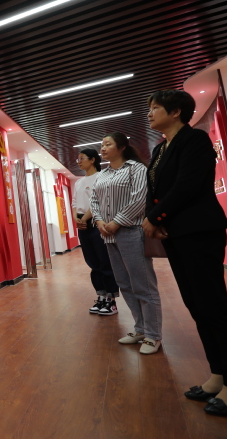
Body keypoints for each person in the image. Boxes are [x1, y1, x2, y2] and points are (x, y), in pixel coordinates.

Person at [144, 89, 227, 416]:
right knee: (197, 306)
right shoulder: (160, 148)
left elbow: (187, 186)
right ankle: (218, 374)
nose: (149, 113)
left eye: (155, 108)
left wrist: (156, 218)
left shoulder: (195, 140)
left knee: (213, 307)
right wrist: (156, 218)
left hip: (199, 232)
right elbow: (156, 190)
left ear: (176, 111)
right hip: (176, 233)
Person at [90, 132, 163, 354]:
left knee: (143, 284)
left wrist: (116, 222)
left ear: (122, 147)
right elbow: (94, 200)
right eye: (102, 144)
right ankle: (140, 328)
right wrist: (99, 220)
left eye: (108, 144)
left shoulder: (135, 169)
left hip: (131, 232)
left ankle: (153, 335)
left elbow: (139, 199)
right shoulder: (102, 175)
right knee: (124, 283)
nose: (103, 148)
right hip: (108, 234)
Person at [72, 148, 119, 315]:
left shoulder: (101, 177)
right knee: (93, 263)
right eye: (78, 159)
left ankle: (111, 301)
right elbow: (75, 203)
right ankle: (101, 296)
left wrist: (84, 219)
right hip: (83, 225)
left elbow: (98, 201)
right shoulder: (78, 182)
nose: (79, 161)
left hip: (96, 223)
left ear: (92, 160)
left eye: (82, 158)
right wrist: (76, 219)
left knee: (105, 261)